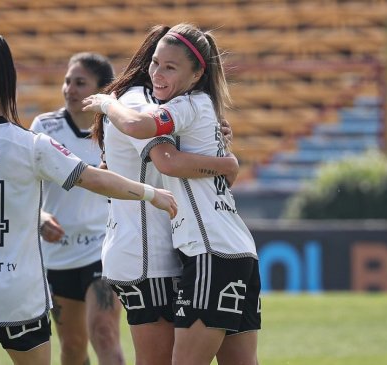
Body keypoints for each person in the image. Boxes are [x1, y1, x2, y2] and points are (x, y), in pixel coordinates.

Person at [0, 34, 178, 365]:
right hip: (17, 294)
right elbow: (94, 179)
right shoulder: (31, 144)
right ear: (9, 81)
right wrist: (152, 193)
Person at [84, 23, 261, 365]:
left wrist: (106, 102)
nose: (157, 73)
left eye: (169, 66)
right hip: (231, 249)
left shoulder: (180, 106)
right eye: (155, 63)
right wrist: (227, 163)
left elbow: (161, 154)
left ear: (196, 74)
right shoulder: (196, 106)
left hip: (206, 251)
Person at [30, 52, 125, 365]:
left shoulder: (119, 130)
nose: (69, 88)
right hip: (57, 255)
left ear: (102, 91)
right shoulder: (44, 127)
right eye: (67, 81)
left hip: (104, 248)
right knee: (71, 349)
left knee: (105, 332)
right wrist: (40, 217)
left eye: (80, 83)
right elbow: (25, 188)